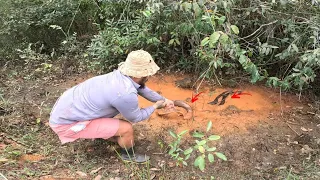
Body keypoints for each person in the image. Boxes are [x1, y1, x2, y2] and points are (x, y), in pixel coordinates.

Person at [49, 50, 174, 163]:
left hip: (67, 107)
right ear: (138, 75)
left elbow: (142, 89)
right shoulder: (125, 93)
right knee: (126, 128)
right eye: (147, 74)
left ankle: (105, 134)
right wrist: (155, 106)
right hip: (65, 123)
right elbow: (136, 117)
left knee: (117, 123)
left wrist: (164, 100)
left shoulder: (122, 76)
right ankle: (128, 155)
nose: (149, 76)